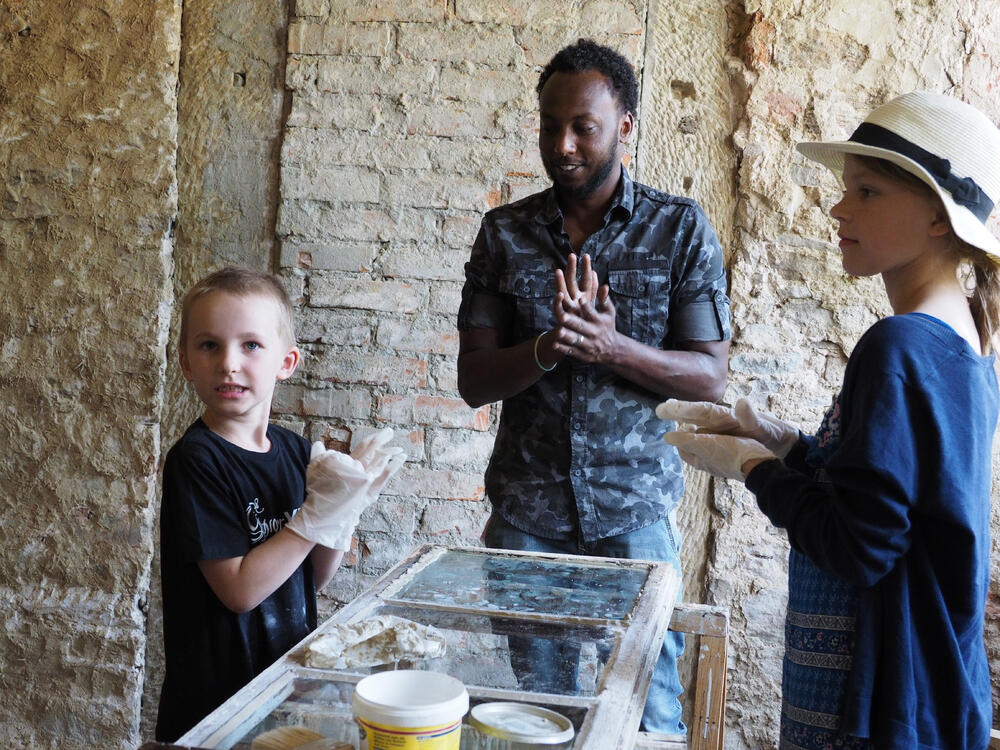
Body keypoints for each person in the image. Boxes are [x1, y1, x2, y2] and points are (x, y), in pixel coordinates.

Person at [659, 91, 1000, 749]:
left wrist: (751, 468)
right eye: (847, 189)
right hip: (934, 684)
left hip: (878, 696)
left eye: (867, 193)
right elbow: (890, 495)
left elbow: (859, 546)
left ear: (938, 216)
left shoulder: (898, 346)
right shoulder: (967, 339)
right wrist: (782, 443)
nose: (839, 208)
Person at [457, 38, 731, 735]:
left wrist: (611, 348)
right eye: (551, 125)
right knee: (542, 719)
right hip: (529, 520)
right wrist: (549, 347)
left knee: (650, 714)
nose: (564, 144)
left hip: (635, 515)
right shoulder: (505, 235)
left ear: (626, 127)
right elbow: (473, 380)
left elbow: (710, 378)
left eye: (584, 125)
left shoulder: (679, 231)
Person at [155, 267, 404, 741]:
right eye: (209, 345)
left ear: (286, 362)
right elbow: (241, 592)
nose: (229, 363)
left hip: (280, 689)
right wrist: (315, 516)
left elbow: (312, 576)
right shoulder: (197, 460)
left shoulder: (294, 451)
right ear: (186, 362)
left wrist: (347, 509)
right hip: (216, 705)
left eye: (251, 345)